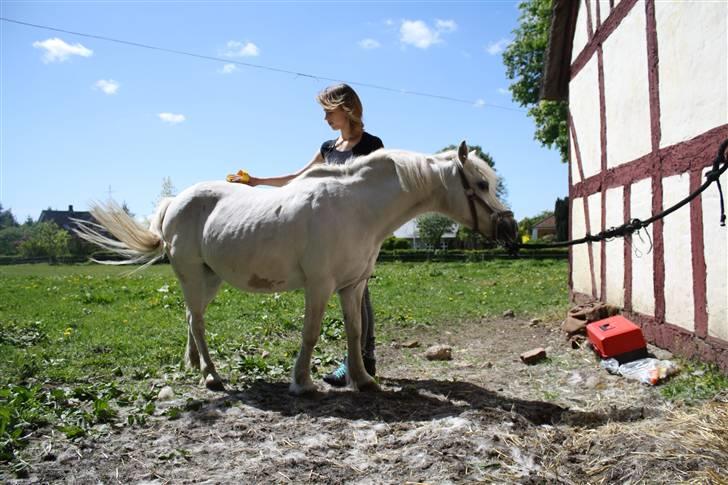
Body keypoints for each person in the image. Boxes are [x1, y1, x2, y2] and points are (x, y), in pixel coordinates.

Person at [229, 83, 383, 387]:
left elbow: (377, 194)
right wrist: (257, 181)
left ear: (346, 108)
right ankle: (358, 363)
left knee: (358, 296)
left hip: (357, 237)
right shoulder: (328, 148)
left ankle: (362, 361)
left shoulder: (371, 145)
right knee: (351, 298)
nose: (325, 117)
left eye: (329, 110)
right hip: (328, 239)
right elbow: (298, 178)